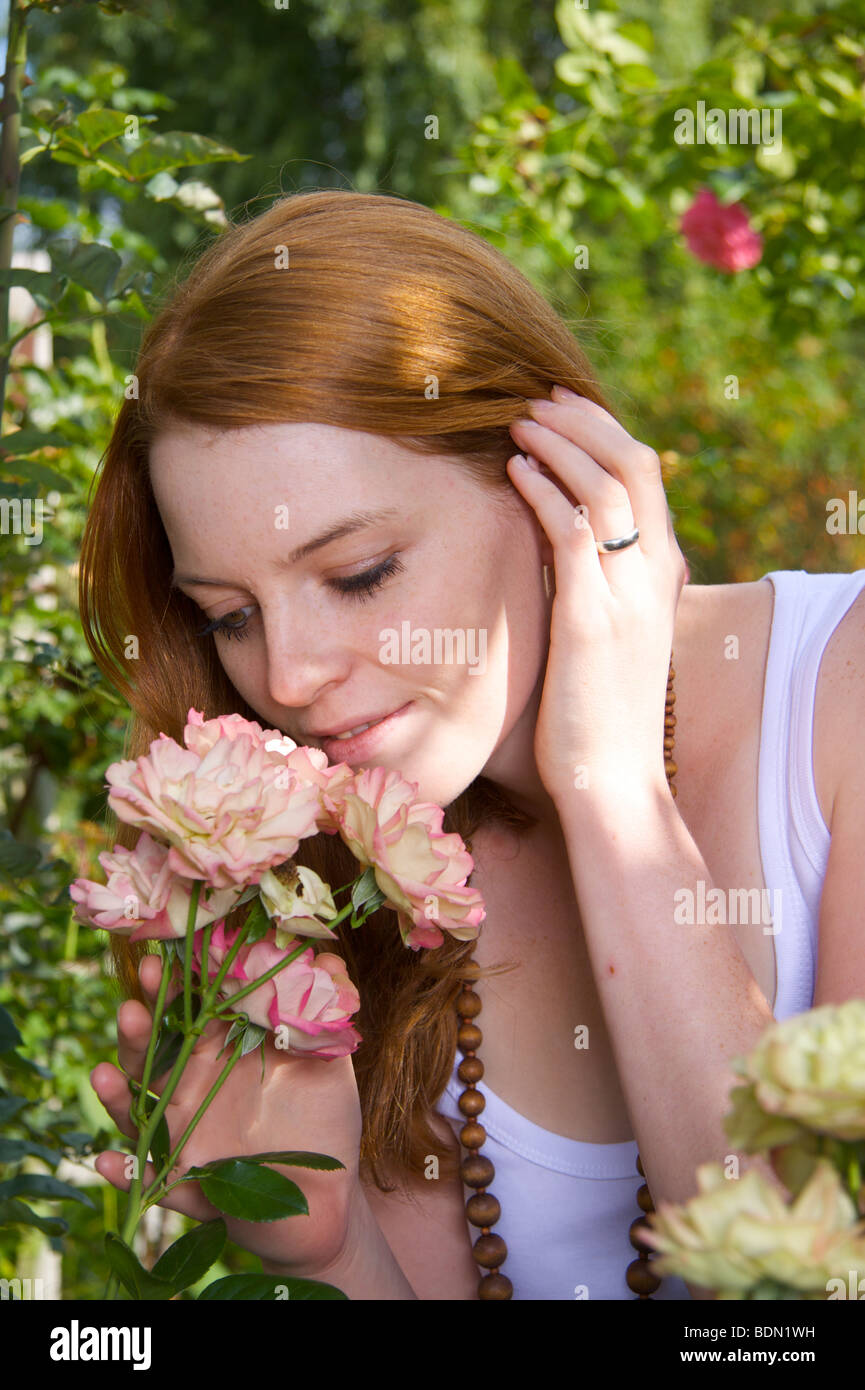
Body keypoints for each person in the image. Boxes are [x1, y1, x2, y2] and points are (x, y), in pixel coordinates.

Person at [82, 189, 865, 1301]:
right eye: (230, 615)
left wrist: (609, 792)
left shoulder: (841, 690)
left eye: (358, 574)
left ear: (552, 481)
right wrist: (334, 1251)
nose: (290, 679)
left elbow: (809, 1297)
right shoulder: (334, 887)